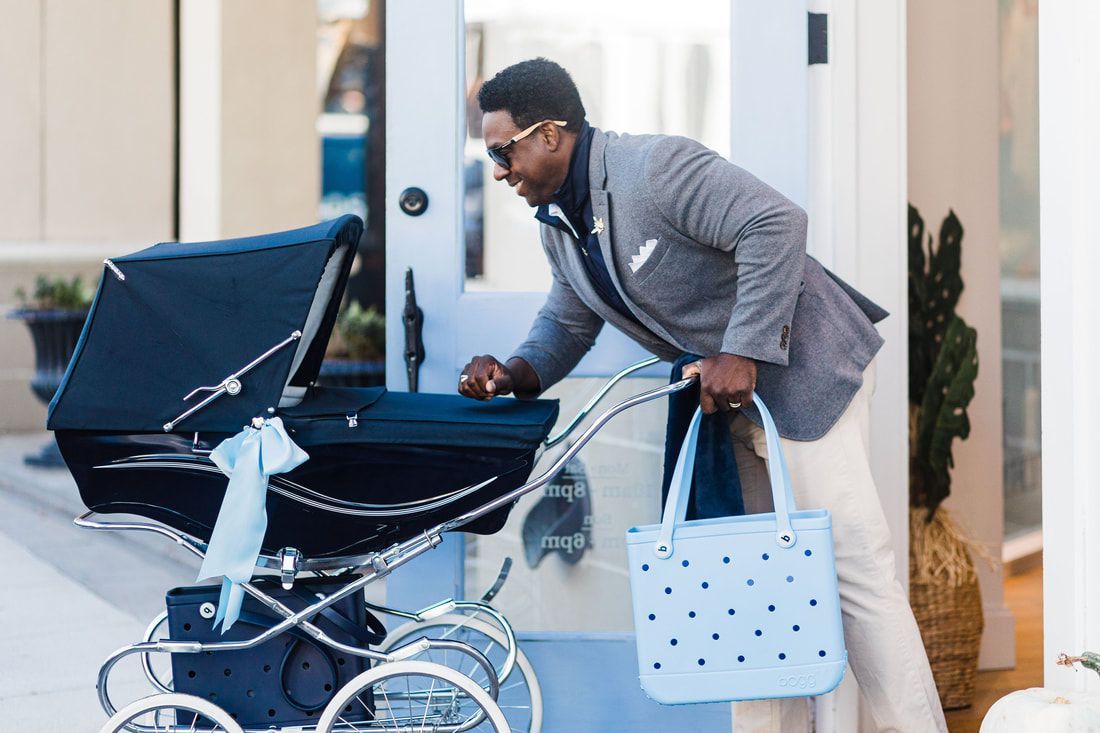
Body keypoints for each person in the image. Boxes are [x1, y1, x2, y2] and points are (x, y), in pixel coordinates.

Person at [458, 58, 947, 733]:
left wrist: (743, 349)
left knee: (854, 571)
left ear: (548, 134)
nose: (498, 171)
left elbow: (775, 223)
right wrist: (512, 372)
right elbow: (567, 323)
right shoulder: (558, 225)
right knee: (753, 581)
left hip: (806, 374)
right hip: (730, 405)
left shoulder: (654, 168)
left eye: (501, 152)